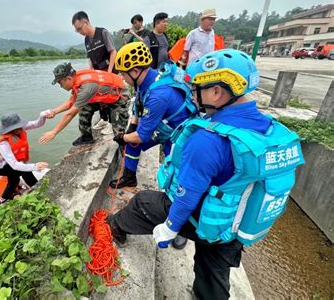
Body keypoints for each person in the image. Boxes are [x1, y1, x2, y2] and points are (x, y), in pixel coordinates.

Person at [107, 49, 304, 299]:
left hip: (205, 216)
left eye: (195, 90)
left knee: (142, 202)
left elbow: (186, 197)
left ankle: (115, 226)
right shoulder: (270, 128)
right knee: (213, 275)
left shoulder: (207, 141)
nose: (193, 98)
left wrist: (170, 227)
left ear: (216, 92)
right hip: (234, 225)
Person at [109, 41, 196, 190]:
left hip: (177, 135)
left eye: (124, 74)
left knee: (174, 174)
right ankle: (130, 177)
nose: (123, 79)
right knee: (132, 140)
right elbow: (138, 102)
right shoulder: (148, 78)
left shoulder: (158, 96)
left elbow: (142, 136)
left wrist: (122, 137)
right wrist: (132, 125)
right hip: (167, 122)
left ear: (135, 71)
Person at [39, 62, 129, 146]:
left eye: (60, 83)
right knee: (84, 107)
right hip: (105, 97)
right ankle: (87, 137)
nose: (61, 86)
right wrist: (54, 111)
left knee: (119, 133)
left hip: (119, 97)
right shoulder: (77, 80)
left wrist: (54, 132)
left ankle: (124, 152)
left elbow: (70, 114)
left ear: (68, 79)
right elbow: (70, 102)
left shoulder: (86, 88)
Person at [0, 112, 49, 204]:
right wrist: (35, 166)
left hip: (8, 163)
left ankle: (3, 199)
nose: (21, 128)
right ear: (10, 129)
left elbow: (37, 123)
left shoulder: (19, 129)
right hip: (0, 167)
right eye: (18, 127)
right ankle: (40, 192)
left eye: (20, 125)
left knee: (14, 180)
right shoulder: (3, 144)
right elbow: (15, 165)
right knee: (26, 172)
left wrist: (43, 115)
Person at [72, 11, 116, 135]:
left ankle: (112, 124)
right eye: (77, 30)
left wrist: (110, 73)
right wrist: (90, 74)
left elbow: (113, 51)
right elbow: (90, 58)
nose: (79, 32)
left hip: (109, 70)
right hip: (97, 73)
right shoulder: (86, 40)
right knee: (99, 98)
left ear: (86, 22)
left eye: (79, 28)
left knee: (110, 98)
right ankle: (104, 119)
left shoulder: (102, 33)